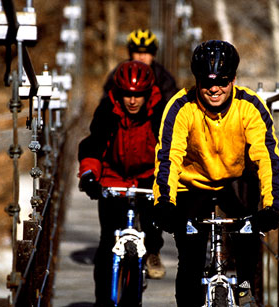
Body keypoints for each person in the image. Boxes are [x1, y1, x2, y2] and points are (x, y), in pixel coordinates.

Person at [152, 40, 279, 307]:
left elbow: (267, 158)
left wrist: (274, 206)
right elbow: (169, 158)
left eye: (222, 81)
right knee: (190, 258)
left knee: (247, 251)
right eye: (205, 81)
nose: (214, 88)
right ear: (196, 80)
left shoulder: (250, 106)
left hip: (236, 181)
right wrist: (164, 204)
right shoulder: (180, 107)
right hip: (192, 185)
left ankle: (245, 297)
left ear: (233, 79)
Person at [78, 60, 166, 306]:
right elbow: (92, 146)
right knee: (108, 242)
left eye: (138, 95)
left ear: (148, 94)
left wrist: (168, 182)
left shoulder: (160, 112)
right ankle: (103, 301)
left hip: (149, 177)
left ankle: (151, 253)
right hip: (113, 177)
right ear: (119, 93)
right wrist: (90, 176)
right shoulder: (108, 109)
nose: (132, 101)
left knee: (152, 224)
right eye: (127, 95)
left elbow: (170, 151)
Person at [103, 28, 178, 107]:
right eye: (137, 52)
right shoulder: (120, 72)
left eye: (146, 52)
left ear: (154, 54)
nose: (142, 57)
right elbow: (106, 102)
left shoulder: (163, 76)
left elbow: (171, 104)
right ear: (130, 53)